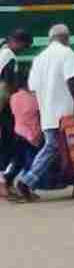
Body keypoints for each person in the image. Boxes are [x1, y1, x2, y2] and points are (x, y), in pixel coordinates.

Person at [11, 24, 74, 202]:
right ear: (65, 37)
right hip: (65, 111)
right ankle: (27, 181)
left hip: (48, 112)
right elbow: (70, 79)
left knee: (73, 148)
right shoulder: (66, 53)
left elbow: (32, 88)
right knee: (54, 147)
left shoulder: (39, 58)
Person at [3, 80, 41, 196]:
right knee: (31, 162)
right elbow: (37, 115)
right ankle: (25, 186)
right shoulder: (34, 98)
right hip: (30, 135)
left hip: (18, 133)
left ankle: (7, 180)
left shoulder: (14, 97)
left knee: (19, 161)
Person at [0, 29, 25, 199]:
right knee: (11, 142)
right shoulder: (10, 56)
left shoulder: (2, 50)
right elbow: (10, 84)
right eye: (24, 46)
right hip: (4, 106)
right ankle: (4, 184)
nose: (22, 50)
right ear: (17, 42)